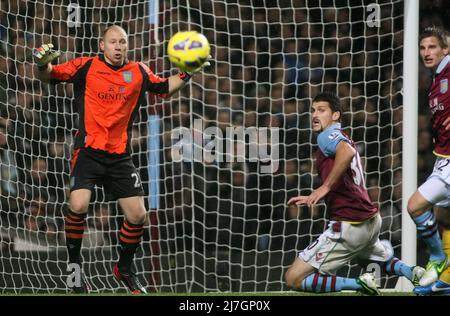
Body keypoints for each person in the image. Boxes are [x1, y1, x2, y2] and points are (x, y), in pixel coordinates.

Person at [33, 25, 210, 294]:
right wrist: (42, 64)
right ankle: (74, 269)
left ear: (128, 46)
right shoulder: (86, 66)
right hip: (88, 151)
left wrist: (188, 72)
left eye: (123, 42)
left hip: (119, 155)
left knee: (138, 215)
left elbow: (164, 88)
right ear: (102, 45)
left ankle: (124, 268)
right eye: (113, 42)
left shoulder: (138, 71)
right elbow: (49, 76)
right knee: (78, 204)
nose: (118, 46)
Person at [286, 92, 424, 295]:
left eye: (321, 110)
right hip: (370, 219)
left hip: (349, 223)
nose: (315, 115)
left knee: (293, 278)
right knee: (367, 256)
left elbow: (347, 153)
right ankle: (413, 272)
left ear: (335, 116)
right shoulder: (344, 137)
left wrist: (325, 187)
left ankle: (359, 284)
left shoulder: (327, 136)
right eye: (313, 110)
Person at [408, 27, 450, 295]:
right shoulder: (435, 80)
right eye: (422, 48)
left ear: (445, 49)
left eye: (432, 47)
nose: (426, 53)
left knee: (415, 206)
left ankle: (437, 260)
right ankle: (445, 283)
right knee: (443, 217)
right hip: (442, 158)